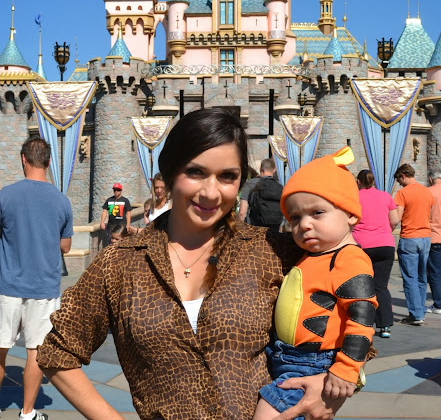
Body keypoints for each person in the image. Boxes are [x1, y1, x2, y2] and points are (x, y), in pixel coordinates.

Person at [37, 108, 347, 420]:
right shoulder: (120, 263)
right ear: (170, 173)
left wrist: (333, 386)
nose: (211, 192)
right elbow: (56, 353)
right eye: (196, 172)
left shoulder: (271, 251)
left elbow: (355, 311)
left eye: (227, 176)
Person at [254, 147, 377, 420]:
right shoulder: (313, 254)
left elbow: (362, 316)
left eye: (317, 212)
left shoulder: (348, 257)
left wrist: (346, 369)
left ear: (350, 214)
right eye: (295, 217)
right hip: (286, 356)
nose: (304, 225)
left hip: (311, 363)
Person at [0, 137, 73, 420]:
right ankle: (28, 413)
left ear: (23, 159)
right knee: (35, 352)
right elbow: (65, 246)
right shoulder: (61, 201)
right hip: (43, 288)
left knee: (0, 350)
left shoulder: (6, 195)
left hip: (6, 285)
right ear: (49, 162)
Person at [353, 169, 399, 339]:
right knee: (381, 286)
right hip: (385, 244)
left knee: (361, 285)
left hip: (361, 245)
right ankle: (385, 325)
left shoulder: (354, 197)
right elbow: (395, 220)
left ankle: (362, 323)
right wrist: (384, 231)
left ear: (358, 182)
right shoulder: (385, 196)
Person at [394, 163, 434, 326]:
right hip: (425, 237)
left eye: (399, 180)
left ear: (403, 175)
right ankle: (421, 311)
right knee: (421, 277)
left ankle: (416, 314)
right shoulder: (426, 191)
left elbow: (397, 218)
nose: (399, 184)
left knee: (410, 277)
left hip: (410, 237)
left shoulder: (402, 193)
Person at [238, 158, 281, 228]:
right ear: (274, 170)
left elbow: (242, 213)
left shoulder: (250, 184)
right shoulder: (279, 186)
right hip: (273, 231)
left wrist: (239, 229)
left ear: (260, 169)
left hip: (254, 230)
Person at [427, 169, 441, 314]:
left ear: (431, 179)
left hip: (435, 236)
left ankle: (439, 304)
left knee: (435, 272)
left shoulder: (429, 192)